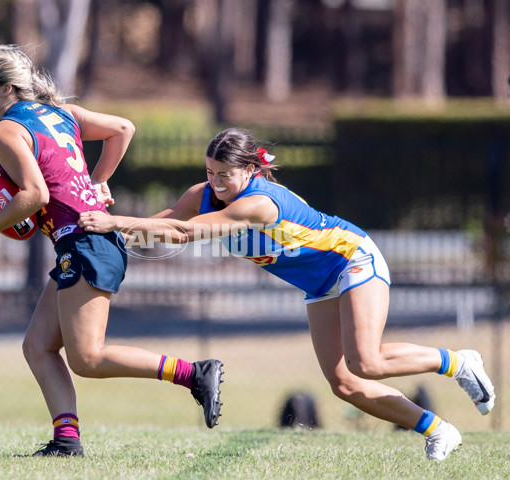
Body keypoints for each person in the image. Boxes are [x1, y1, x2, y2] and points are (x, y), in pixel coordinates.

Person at [79, 127, 496, 462]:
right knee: (344, 385)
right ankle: (438, 430)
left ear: (252, 171)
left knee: (365, 361)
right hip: (318, 285)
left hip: (351, 259)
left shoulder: (258, 202)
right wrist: (110, 222)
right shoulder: (201, 195)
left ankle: (458, 362)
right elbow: (162, 226)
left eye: (225, 174)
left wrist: (113, 220)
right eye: (210, 172)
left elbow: (190, 231)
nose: (216, 182)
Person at [0, 44, 224, 457]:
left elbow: (34, 196)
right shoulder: (60, 114)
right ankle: (66, 442)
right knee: (38, 346)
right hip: (90, 239)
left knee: (87, 359)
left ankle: (194, 374)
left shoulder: (4, 132)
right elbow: (123, 128)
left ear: (7, 89)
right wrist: (96, 182)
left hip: (85, 241)